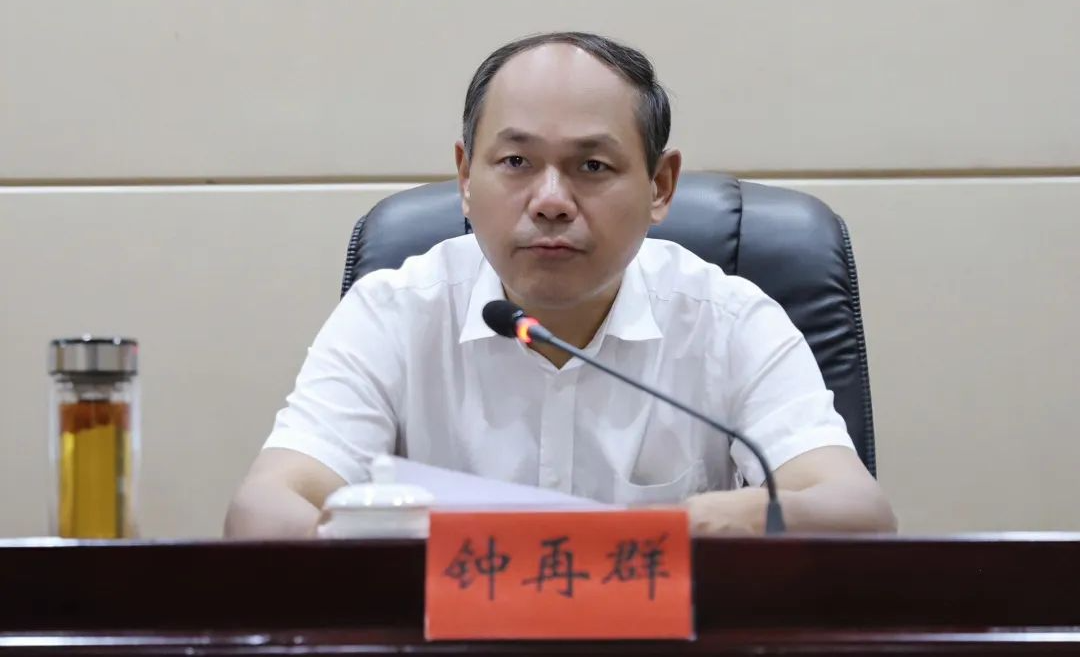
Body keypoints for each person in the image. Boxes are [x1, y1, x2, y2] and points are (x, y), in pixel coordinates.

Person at [225, 32, 896, 538]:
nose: (550, 200)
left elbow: (858, 511)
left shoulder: (728, 319)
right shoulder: (395, 312)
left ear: (660, 186)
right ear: (465, 177)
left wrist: (711, 522)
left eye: (592, 166)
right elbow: (263, 508)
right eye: (516, 161)